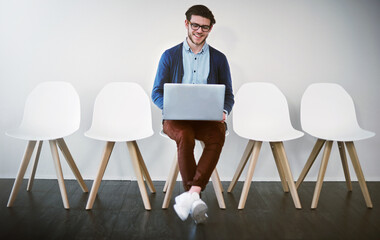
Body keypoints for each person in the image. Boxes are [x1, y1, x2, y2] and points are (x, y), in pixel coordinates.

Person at [151, 5, 234, 224]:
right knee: (185, 136)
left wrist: (224, 111)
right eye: (195, 25)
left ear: (210, 28)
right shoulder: (169, 56)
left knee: (218, 134)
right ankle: (194, 195)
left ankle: (191, 195)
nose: (199, 31)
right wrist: (168, 107)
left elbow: (229, 95)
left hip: (207, 119)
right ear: (187, 24)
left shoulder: (219, 59)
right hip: (176, 119)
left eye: (205, 27)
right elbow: (156, 92)